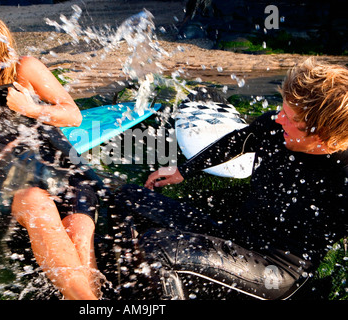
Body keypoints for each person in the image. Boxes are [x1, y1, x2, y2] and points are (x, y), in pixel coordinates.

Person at [110, 58, 348, 300]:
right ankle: (119, 285)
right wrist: (182, 171)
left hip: (276, 273)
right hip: (233, 235)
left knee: (159, 248)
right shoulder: (275, 129)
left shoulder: (343, 175)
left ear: (324, 136)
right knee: (130, 198)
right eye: (282, 109)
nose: (278, 119)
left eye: (290, 118)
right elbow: (236, 142)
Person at [0, 16, 103, 300]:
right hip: (20, 188)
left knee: (79, 239)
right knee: (37, 201)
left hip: (68, 173)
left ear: (4, 55)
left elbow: (73, 114)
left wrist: (31, 108)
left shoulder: (25, 69)